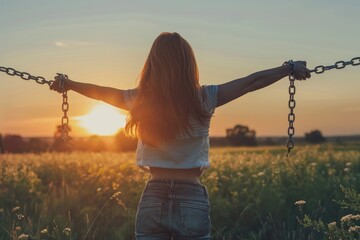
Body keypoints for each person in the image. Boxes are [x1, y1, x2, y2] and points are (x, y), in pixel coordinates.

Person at [50, 32, 311, 239]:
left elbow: (100, 92)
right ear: (189, 64)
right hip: (192, 197)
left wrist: (69, 84)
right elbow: (250, 82)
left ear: (152, 65)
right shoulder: (204, 97)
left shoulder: (140, 100)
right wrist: (286, 68)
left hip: (153, 196)